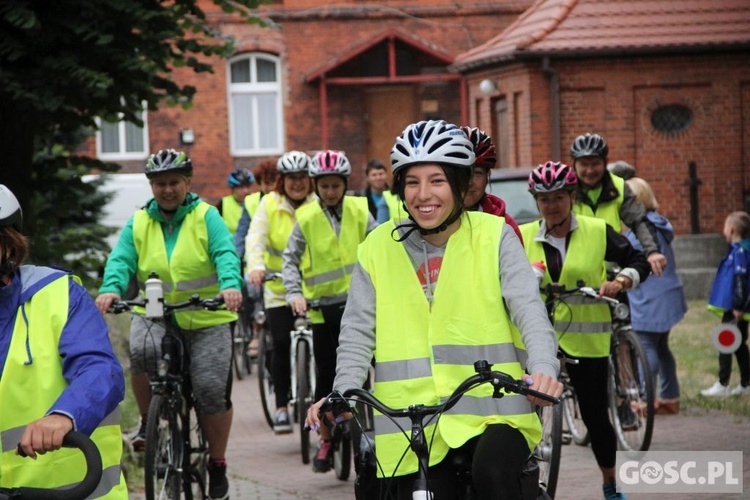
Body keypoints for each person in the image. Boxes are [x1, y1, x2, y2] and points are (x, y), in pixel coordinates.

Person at [306, 120, 562, 499]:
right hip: (408, 420)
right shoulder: (377, 247)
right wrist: (344, 389)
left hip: (494, 410)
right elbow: (358, 330)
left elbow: (528, 309)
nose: (423, 194)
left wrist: (543, 370)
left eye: (437, 180)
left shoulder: (495, 236)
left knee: (493, 475)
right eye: (412, 182)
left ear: (460, 186)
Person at [95, 149, 243, 499]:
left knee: (208, 389)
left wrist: (230, 285)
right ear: (151, 186)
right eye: (160, 183)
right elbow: (121, 259)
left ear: (187, 183)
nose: (167, 189)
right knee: (142, 350)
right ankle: (149, 421)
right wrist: (111, 289)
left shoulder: (207, 216)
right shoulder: (140, 222)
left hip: (208, 316)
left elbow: (225, 253)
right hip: (158, 313)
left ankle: (217, 462)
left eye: (174, 182)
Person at [519, 161, 650, 500]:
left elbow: (638, 260)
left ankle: (610, 482)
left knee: (596, 418)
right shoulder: (520, 236)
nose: (551, 205)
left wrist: (620, 280)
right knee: (520, 416)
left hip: (587, 342)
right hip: (537, 340)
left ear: (573, 197)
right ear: (536, 201)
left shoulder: (596, 230)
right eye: (544, 198)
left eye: (559, 197)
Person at [0, 185, 127, 498]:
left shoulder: (57, 294)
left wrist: (64, 415)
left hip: (67, 491)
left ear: (7, 245)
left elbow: (99, 368)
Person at [283, 149, 377, 473]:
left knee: (375, 365)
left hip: (362, 307)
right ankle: (325, 437)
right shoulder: (306, 218)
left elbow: (382, 249)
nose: (330, 192)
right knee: (326, 377)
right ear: (316, 186)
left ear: (344, 184)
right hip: (323, 311)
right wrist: (295, 294)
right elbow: (290, 260)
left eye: (335, 185)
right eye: (324, 186)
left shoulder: (361, 211)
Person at [246, 150, 317, 433]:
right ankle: (281, 407)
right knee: (280, 344)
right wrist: (255, 266)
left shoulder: (317, 203)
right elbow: (255, 237)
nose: (297, 183)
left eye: (302, 178)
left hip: (313, 287)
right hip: (277, 288)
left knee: (324, 344)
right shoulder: (269, 204)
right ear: (282, 181)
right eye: (292, 178)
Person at [625, 177, 686, 414]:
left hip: (649, 298)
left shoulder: (642, 229)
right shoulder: (660, 223)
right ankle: (670, 397)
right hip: (668, 293)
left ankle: (643, 400)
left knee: (647, 346)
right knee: (661, 348)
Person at [569, 133, 667, 277]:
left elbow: (639, 221)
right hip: (575, 270)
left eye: (595, 164)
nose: (589, 171)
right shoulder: (565, 190)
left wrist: (652, 252)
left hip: (612, 271)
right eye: (584, 164)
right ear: (574, 164)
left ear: (605, 162)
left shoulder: (619, 186)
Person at [701, 211, 750, 397]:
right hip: (739, 306)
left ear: (732, 229)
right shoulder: (741, 250)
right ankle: (746, 383)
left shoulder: (739, 252)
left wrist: (737, 305)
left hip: (736, 307)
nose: (723, 231)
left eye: (724, 227)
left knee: (725, 341)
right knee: (738, 344)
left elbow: (740, 279)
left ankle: (723, 384)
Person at [460, 126, 523, 242]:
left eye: (477, 173)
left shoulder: (506, 225)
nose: (469, 182)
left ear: (487, 177)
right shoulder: (431, 221)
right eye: (462, 173)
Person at [234, 160, 279, 259]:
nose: (269, 187)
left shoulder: (285, 201)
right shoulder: (250, 202)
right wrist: (235, 260)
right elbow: (241, 234)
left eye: (272, 182)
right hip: (254, 264)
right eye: (266, 183)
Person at [355, 158, 400, 223]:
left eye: (381, 174)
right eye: (374, 175)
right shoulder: (361, 198)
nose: (378, 178)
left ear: (386, 175)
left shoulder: (395, 195)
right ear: (368, 178)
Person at [217, 168, 255, 236]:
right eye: (241, 187)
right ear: (233, 189)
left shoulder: (257, 202)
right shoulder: (223, 204)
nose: (246, 191)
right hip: (231, 244)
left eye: (248, 187)